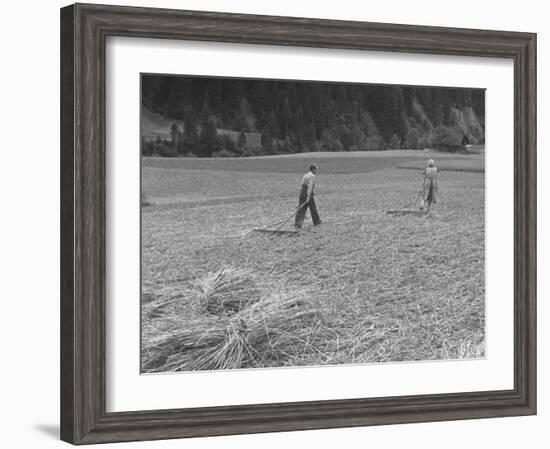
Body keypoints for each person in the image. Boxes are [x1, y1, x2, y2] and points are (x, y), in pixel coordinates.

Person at [294, 164, 321, 229]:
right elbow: (310, 187)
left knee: (301, 209)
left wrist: (305, 193)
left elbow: (302, 185)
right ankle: (316, 222)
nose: (316, 171)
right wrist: (308, 196)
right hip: (307, 193)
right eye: (316, 169)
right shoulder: (312, 176)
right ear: (313, 169)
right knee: (313, 208)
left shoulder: (306, 175)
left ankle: (297, 224)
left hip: (302, 192)